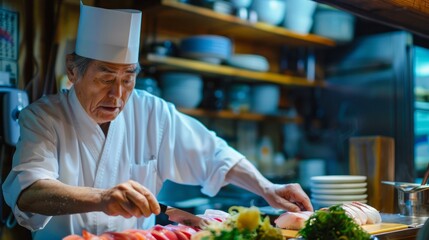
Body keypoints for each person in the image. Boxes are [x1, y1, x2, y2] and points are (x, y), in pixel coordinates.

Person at [2, 2, 312, 239]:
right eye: (106, 78)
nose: (118, 95)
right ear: (73, 71)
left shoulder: (153, 112)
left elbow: (215, 154)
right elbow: (29, 192)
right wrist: (102, 198)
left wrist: (267, 187)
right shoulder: (43, 118)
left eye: (128, 78)